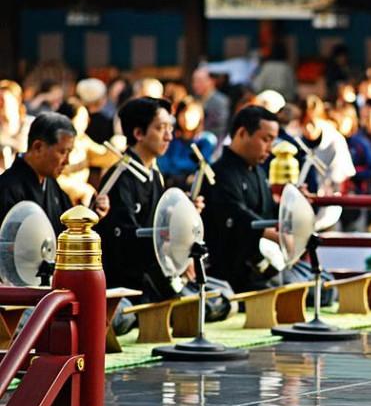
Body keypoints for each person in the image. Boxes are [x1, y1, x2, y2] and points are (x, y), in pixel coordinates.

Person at [96, 97, 178, 302]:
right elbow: (124, 240)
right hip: (128, 280)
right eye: (161, 128)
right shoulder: (119, 178)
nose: (169, 136)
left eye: (170, 128)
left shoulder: (154, 174)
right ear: (139, 133)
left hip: (154, 271)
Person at [201, 105, 280, 292]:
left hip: (259, 266)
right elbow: (235, 212)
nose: (270, 148)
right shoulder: (218, 173)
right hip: (229, 270)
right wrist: (273, 234)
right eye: (265, 139)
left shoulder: (259, 172)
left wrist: (294, 205)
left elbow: (269, 210)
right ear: (242, 133)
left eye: (272, 141)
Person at [0, 112, 109, 235]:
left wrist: (91, 215)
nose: (67, 161)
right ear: (38, 147)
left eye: (69, 152)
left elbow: (67, 230)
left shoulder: (51, 184)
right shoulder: (8, 188)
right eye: (63, 152)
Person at [191, 66, 231, 143]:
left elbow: (220, 128)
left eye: (199, 81)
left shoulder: (221, 101)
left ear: (211, 81)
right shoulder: (194, 100)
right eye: (194, 81)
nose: (195, 84)